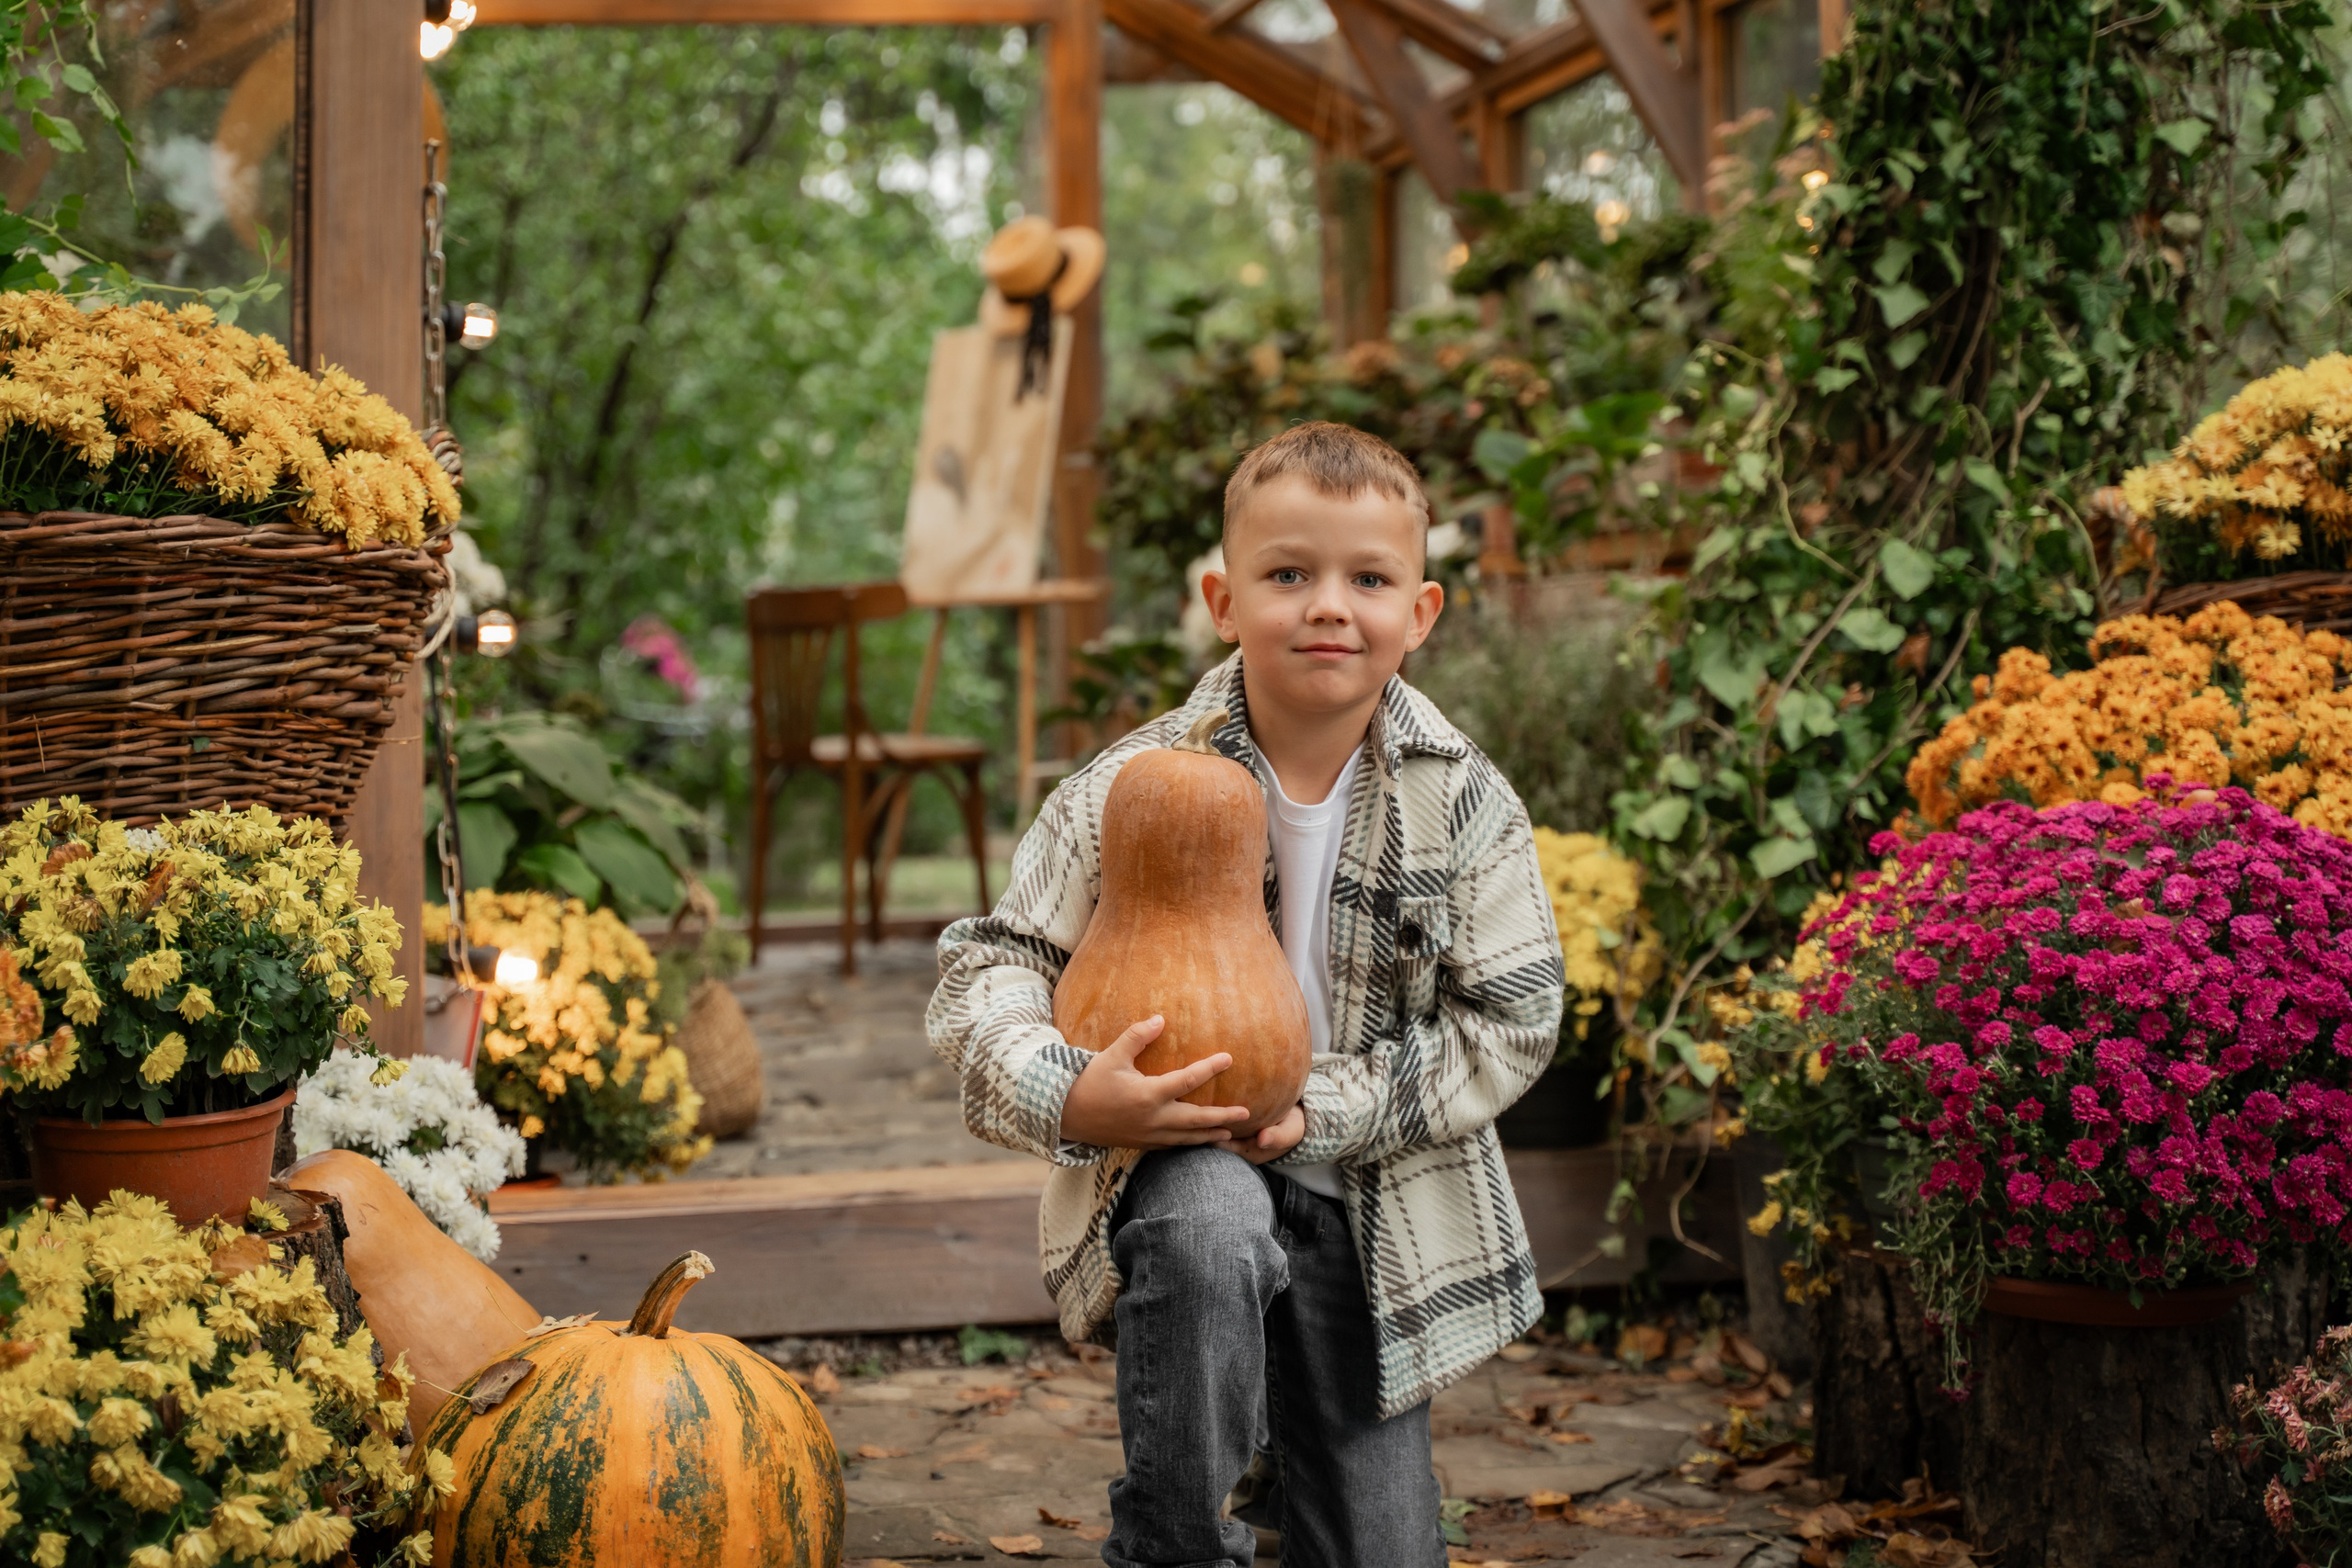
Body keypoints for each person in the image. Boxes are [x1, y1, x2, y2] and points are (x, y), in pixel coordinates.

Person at [928, 421, 1566, 1568]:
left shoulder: (1466, 802)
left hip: (1377, 1208)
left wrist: (1323, 1109)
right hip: (1189, 1163)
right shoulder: (1132, 784)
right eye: (1288, 574)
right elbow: (989, 966)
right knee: (1208, 1228)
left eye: (1367, 579)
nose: (1329, 606)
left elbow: (1510, 1022)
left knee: (1378, 1549)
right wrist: (1074, 1094)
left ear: (1417, 614)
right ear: (1222, 600)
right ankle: (1170, 1546)